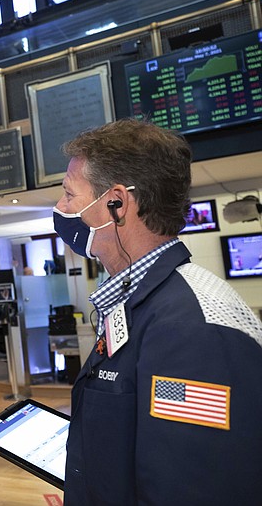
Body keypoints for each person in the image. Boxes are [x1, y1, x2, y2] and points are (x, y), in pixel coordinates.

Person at [53, 118, 262, 504]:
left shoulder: (193, 330)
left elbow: (194, 489)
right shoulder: (138, 302)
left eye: (68, 195)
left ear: (116, 203)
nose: (60, 209)